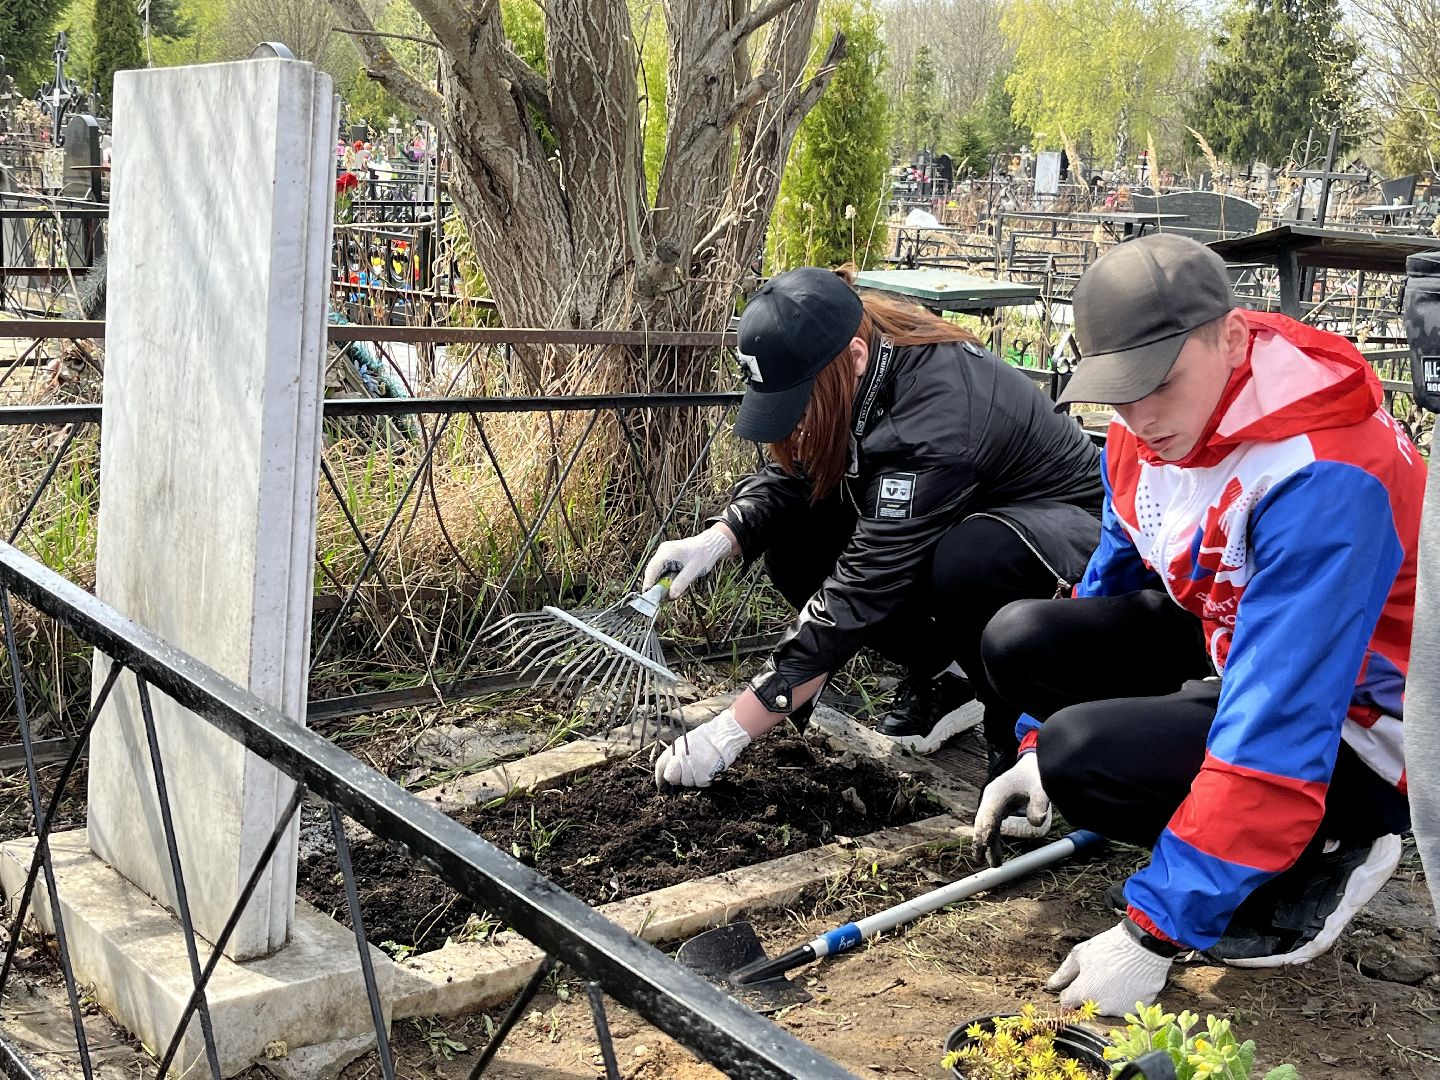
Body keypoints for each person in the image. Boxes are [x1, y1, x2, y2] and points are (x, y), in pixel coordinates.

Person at [973, 235, 1425, 1014]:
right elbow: (1117, 569)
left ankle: (1323, 849)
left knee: (1089, 759)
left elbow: (1282, 720)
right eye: (1119, 391)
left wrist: (1153, 931)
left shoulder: (1324, 475)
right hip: (1246, 641)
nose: (1141, 417)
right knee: (1022, 640)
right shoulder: (1144, 426)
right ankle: (1218, 826)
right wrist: (1033, 736)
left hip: (1364, 724)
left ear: (1234, 336)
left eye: (1161, 384)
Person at [645, 266, 1104, 786]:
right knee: (796, 542)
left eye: (799, 406)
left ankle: (1015, 732)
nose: (794, 426)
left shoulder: (934, 417)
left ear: (855, 362)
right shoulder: (858, 357)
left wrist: (732, 729)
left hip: (1058, 543)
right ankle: (944, 674)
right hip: (958, 511)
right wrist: (721, 537)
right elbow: (798, 473)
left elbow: (862, 588)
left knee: (972, 560)